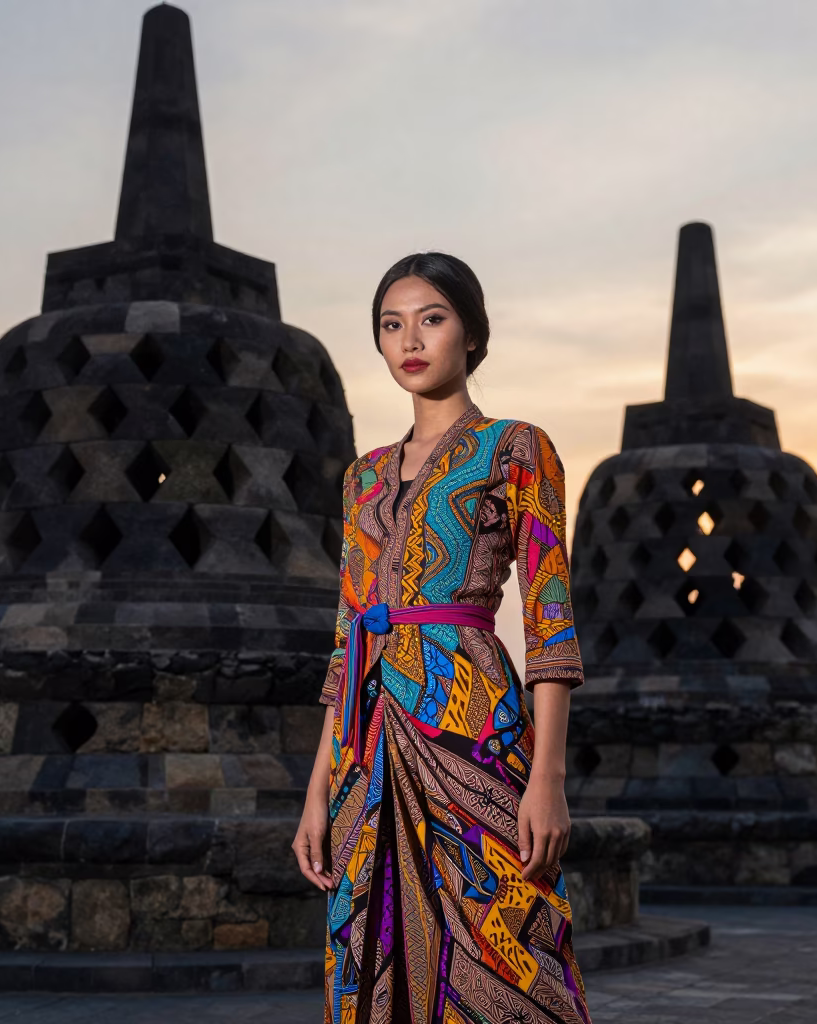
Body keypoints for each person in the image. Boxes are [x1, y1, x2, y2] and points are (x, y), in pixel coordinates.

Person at [293, 252, 593, 1024]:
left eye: (431, 318)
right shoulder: (363, 477)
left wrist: (548, 777)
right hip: (367, 738)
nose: (409, 340)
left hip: (470, 719)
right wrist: (316, 790)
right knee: (364, 938)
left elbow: (549, 619)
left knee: (506, 935)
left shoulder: (517, 448)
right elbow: (344, 639)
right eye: (391, 325)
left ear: (471, 332)